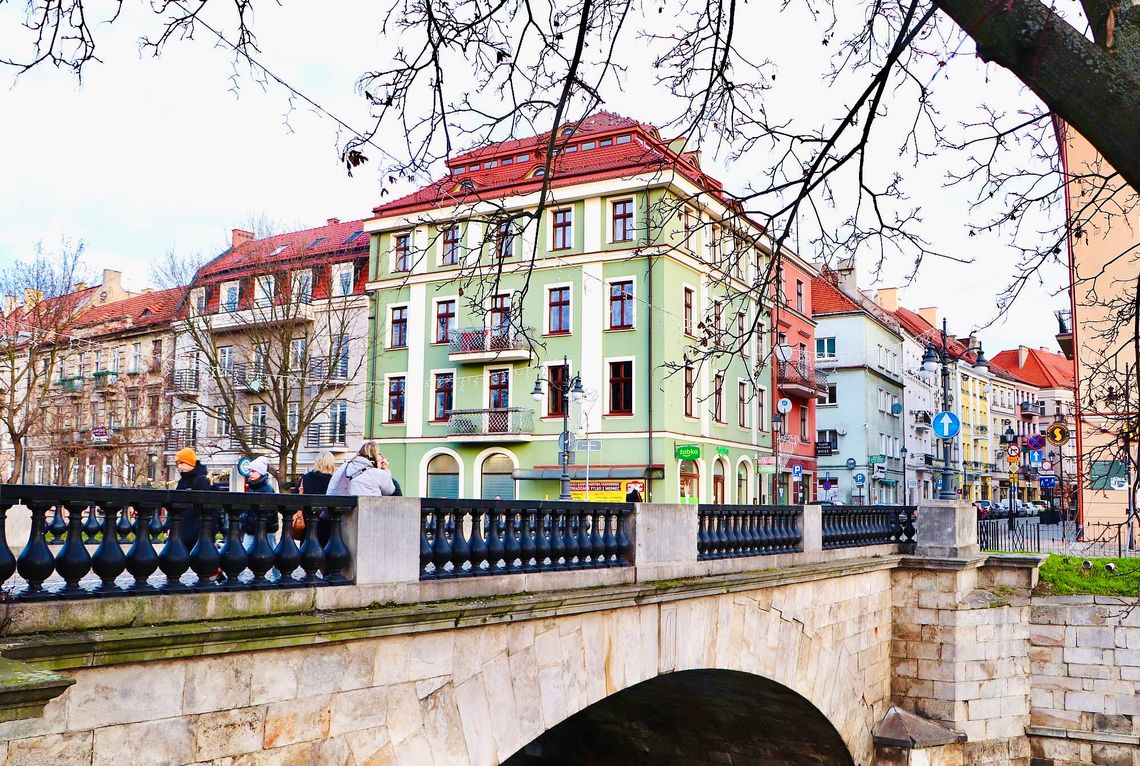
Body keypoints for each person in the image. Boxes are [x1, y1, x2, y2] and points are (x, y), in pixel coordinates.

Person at [174, 447, 214, 548]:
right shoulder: (182, 481)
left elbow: (210, 505)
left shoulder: (201, 480)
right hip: (183, 530)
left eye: (182, 463)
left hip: (198, 531)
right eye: (177, 463)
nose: (179, 466)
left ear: (191, 463)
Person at [295, 451, 336, 546]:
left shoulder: (305, 478)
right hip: (327, 525)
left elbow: (295, 497)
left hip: (307, 524)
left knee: (306, 553)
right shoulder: (333, 481)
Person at [328, 442, 396, 496]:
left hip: (344, 511)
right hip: (369, 511)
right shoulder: (378, 473)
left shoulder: (344, 467)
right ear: (375, 456)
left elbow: (331, 488)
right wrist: (385, 469)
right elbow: (390, 491)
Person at [240, 456, 279, 551]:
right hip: (252, 529)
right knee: (245, 552)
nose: (250, 474)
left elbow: (270, 513)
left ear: (261, 472)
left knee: (270, 555)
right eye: (250, 471)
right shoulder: (253, 487)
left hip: (265, 530)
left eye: (253, 471)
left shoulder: (267, 489)